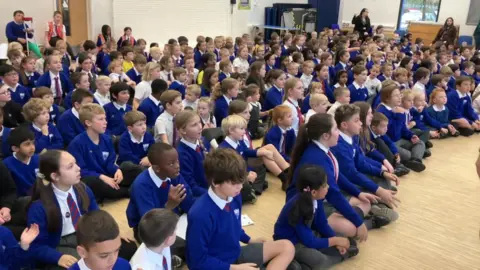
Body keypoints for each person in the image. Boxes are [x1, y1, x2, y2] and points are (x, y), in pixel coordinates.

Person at [186, 148, 295, 269]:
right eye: (234, 183)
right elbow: (197, 262)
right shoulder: (199, 214)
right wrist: (234, 268)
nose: (241, 187)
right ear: (215, 182)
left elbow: (235, 226)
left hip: (235, 254)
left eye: (241, 181)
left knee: (287, 246)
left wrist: (249, 240)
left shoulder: (234, 195)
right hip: (218, 265)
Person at [274, 165, 358, 269]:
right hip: (291, 242)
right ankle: (292, 262)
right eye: (325, 185)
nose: (328, 187)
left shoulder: (316, 199)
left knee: (343, 240)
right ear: (314, 192)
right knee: (319, 260)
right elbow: (309, 241)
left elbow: (321, 224)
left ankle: (302, 264)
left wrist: (335, 240)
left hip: (305, 235)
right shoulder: (298, 208)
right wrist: (335, 241)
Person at [126, 142, 194, 250]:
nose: (177, 166)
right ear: (157, 168)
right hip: (147, 228)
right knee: (187, 247)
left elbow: (189, 203)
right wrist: (169, 205)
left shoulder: (174, 174)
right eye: (171, 164)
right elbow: (150, 225)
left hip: (172, 218)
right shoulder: (141, 185)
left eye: (177, 161)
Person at [67, 104, 137, 201]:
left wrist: (117, 170)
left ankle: (122, 189)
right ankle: (128, 191)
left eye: (105, 119)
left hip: (107, 175)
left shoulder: (107, 139)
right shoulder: (76, 144)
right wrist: (102, 177)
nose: (105, 122)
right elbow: (81, 171)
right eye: (100, 119)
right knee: (91, 183)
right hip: (93, 178)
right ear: (88, 123)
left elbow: (110, 163)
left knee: (131, 168)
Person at [176, 110, 210, 197]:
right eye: (194, 125)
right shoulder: (182, 154)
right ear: (183, 130)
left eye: (199, 122)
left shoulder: (203, 141)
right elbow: (191, 186)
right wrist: (213, 194)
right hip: (199, 195)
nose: (200, 127)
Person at [4, 127, 39, 197]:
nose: (32, 147)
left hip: (40, 196)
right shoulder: (7, 165)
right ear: (15, 148)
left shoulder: (39, 159)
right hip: (20, 200)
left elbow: (45, 180)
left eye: (33, 143)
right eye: (27, 144)